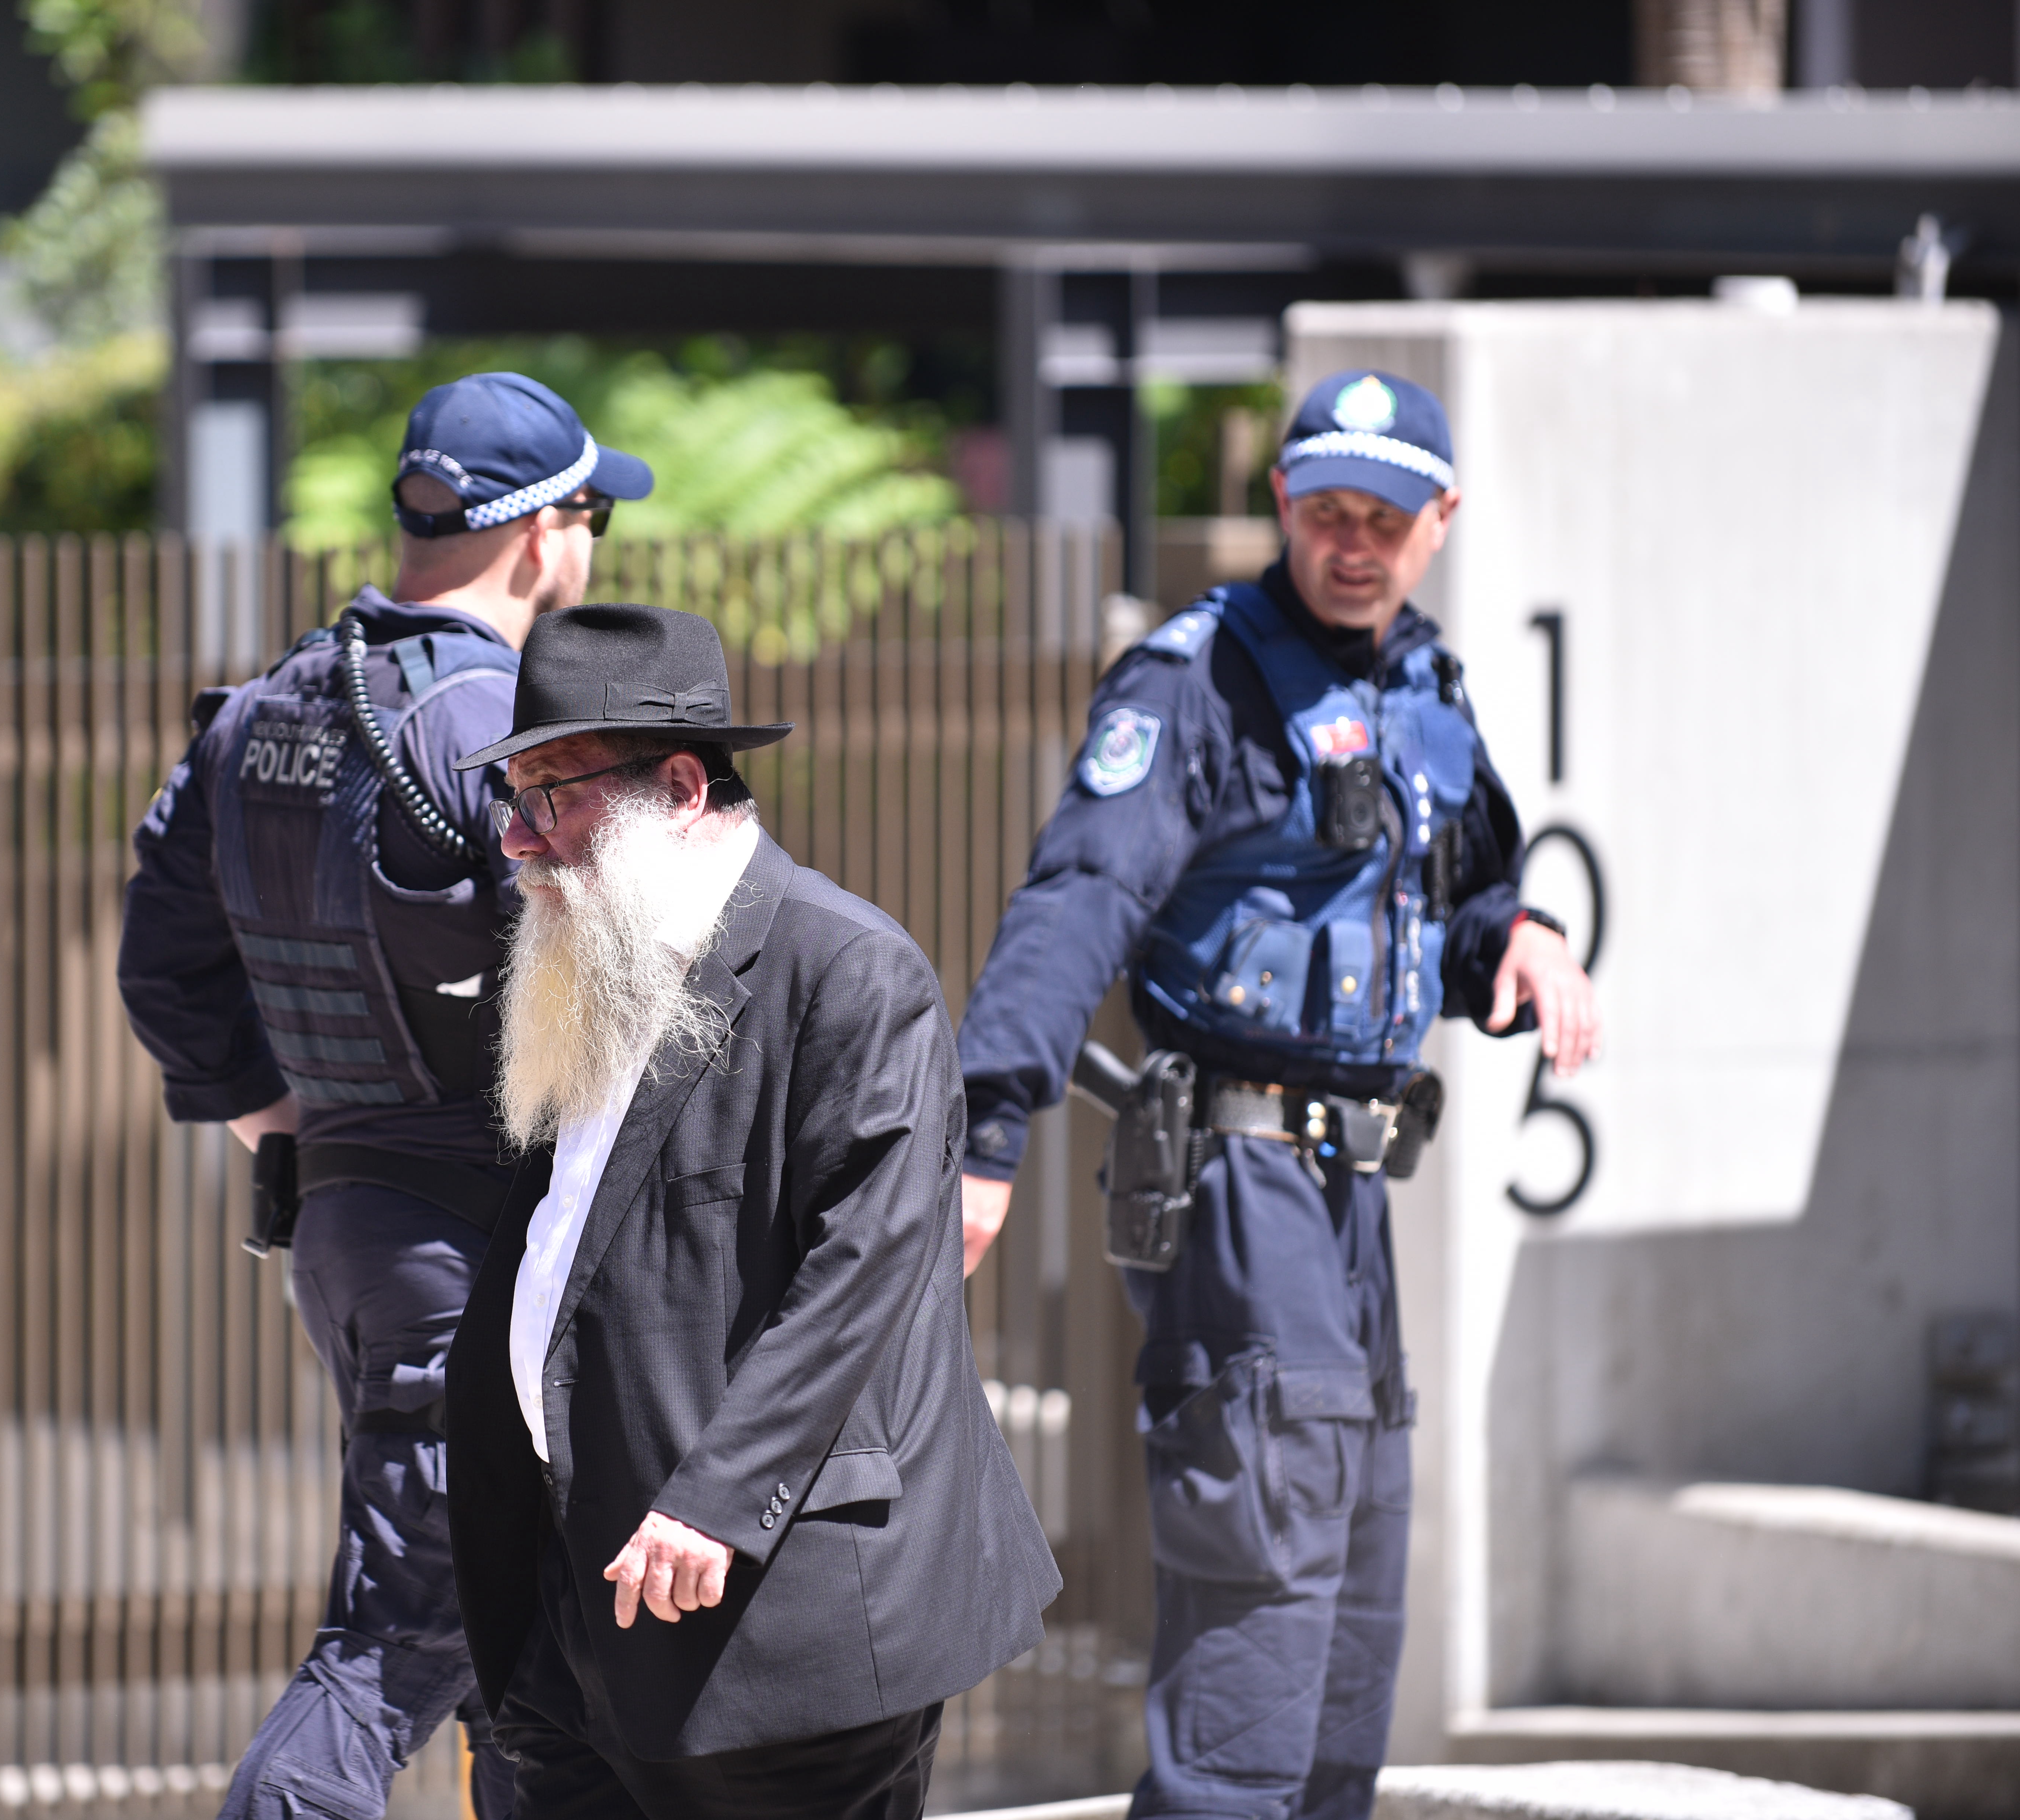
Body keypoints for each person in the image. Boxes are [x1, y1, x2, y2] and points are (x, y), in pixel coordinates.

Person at [953, 371, 1599, 1820]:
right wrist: (985, 1129)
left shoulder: (1422, 685)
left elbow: (1464, 897)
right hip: (1236, 1177)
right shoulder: (1198, 680)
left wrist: (1527, 939)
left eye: (1383, 515)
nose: (1351, 543)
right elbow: (1078, 899)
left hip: (1353, 1187)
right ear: (1281, 508)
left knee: (1358, 1570)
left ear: (1441, 520)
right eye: (1324, 512)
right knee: (1266, 1551)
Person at [116, 372, 650, 1820]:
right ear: (542, 537)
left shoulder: (265, 709)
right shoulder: (496, 727)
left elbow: (161, 959)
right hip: (474, 1246)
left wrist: (289, 1125)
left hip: (354, 1229)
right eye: (591, 517)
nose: (591, 550)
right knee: (398, 1641)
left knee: (527, 1656)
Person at [440, 602, 1061, 1820]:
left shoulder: (849, 970)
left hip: (776, 1622)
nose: (520, 842)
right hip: (579, 1613)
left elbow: (868, 1273)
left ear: (678, 783)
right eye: (514, 801)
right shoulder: (595, 962)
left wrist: (715, 1502)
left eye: (554, 797)